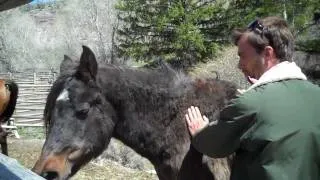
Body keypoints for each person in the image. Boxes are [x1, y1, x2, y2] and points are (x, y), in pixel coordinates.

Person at [185, 16, 320, 180]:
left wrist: (200, 132)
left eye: (242, 56)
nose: (239, 65)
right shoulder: (315, 94)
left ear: (268, 53)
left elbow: (215, 146)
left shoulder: (251, 103)